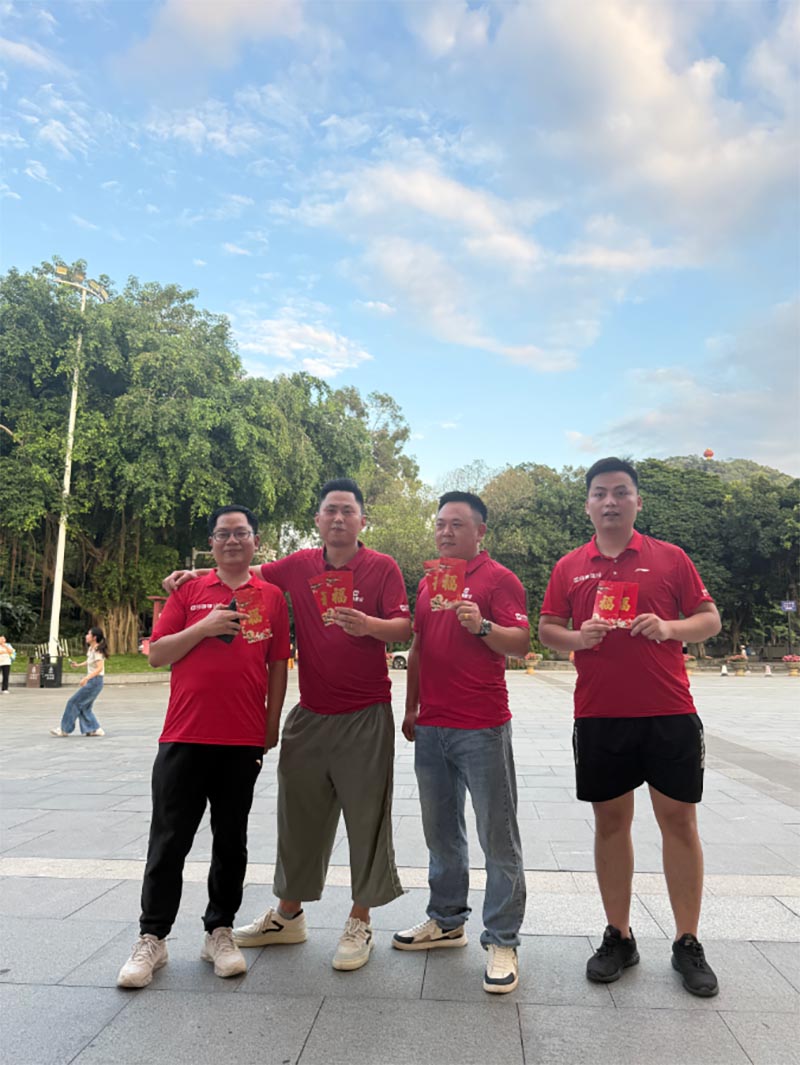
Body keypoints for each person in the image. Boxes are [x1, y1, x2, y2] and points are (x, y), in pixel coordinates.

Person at [163, 478, 411, 972]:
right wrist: (195, 574)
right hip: (310, 714)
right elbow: (245, 569)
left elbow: (405, 626)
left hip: (365, 713)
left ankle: (360, 919)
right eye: (329, 510)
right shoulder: (298, 566)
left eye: (347, 511)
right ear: (317, 520)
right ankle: (288, 914)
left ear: (362, 520)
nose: (338, 518)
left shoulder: (382, 567)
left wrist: (369, 626)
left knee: (366, 819)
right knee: (297, 818)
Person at [538, 457, 722, 997]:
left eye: (621, 492)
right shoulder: (570, 566)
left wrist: (669, 627)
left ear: (638, 501)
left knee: (679, 823)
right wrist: (579, 638)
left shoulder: (670, 558)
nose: (611, 501)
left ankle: (687, 940)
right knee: (611, 824)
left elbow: (708, 619)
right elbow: (547, 628)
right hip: (600, 715)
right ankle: (618, 935)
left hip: (669, 711)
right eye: (600, 493)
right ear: (588, 505)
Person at [117, 505, 290, 989]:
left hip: (242, 738)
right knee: (169, 839)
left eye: (241, 533)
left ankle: (220, 931)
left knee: (231, 840)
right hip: (184, 735)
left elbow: (278, 663)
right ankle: (153, 938)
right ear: (211, 543)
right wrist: (204, 627)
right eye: (223, 534)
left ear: (255, 542)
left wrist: (271, 723)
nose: (232, 541)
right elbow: (156, 654)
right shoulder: (188, 591)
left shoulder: (272, 597)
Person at [394, 491, 529, 994]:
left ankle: (503, 939)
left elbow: (522, 642)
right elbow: (419, 646)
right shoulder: (430, 582)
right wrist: (412, 707)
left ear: (480, 531)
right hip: (432, 727)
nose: (445, 532)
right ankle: (447, 920)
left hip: (481, 726)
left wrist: (482, 625)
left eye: (456, 524)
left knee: (498, 835)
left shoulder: (499, 580)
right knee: (441, 831)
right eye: (440, 524)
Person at [49, 627, 108, 736]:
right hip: (93, 681)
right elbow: (90, 661)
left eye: (88, 634)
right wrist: (78, 665)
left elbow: (99, 668)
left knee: (73, 702)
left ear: (94, 637)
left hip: (95, 681)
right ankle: (94, 729)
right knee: (84, 707)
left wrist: (86, 678)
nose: (86, 636)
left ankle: (64, 729)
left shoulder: (97, 650)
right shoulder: (91, 649)